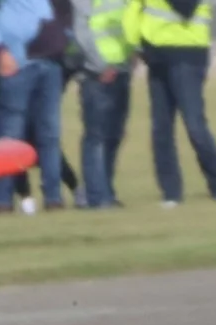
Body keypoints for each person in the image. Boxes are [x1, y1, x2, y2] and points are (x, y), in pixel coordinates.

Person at [138, 0, 216, 207]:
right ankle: (171, 193)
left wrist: (137, 44)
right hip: (160, 55)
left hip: (187, 53)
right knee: (163, 128)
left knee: (194, 125)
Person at [0, 0, 68, 212]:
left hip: (50, 61)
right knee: (10, 134)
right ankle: (1, 200)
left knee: (50, 133)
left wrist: (64, 37)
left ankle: (54, 197)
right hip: (17, 63)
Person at [74, 0, 136, 208]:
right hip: (96, 75)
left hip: (121, 69)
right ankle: (95, 196)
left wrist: (131, 54)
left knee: (114, 135)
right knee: (96, 136)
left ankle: (106, 192)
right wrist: (100, 65)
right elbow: (82, 31)